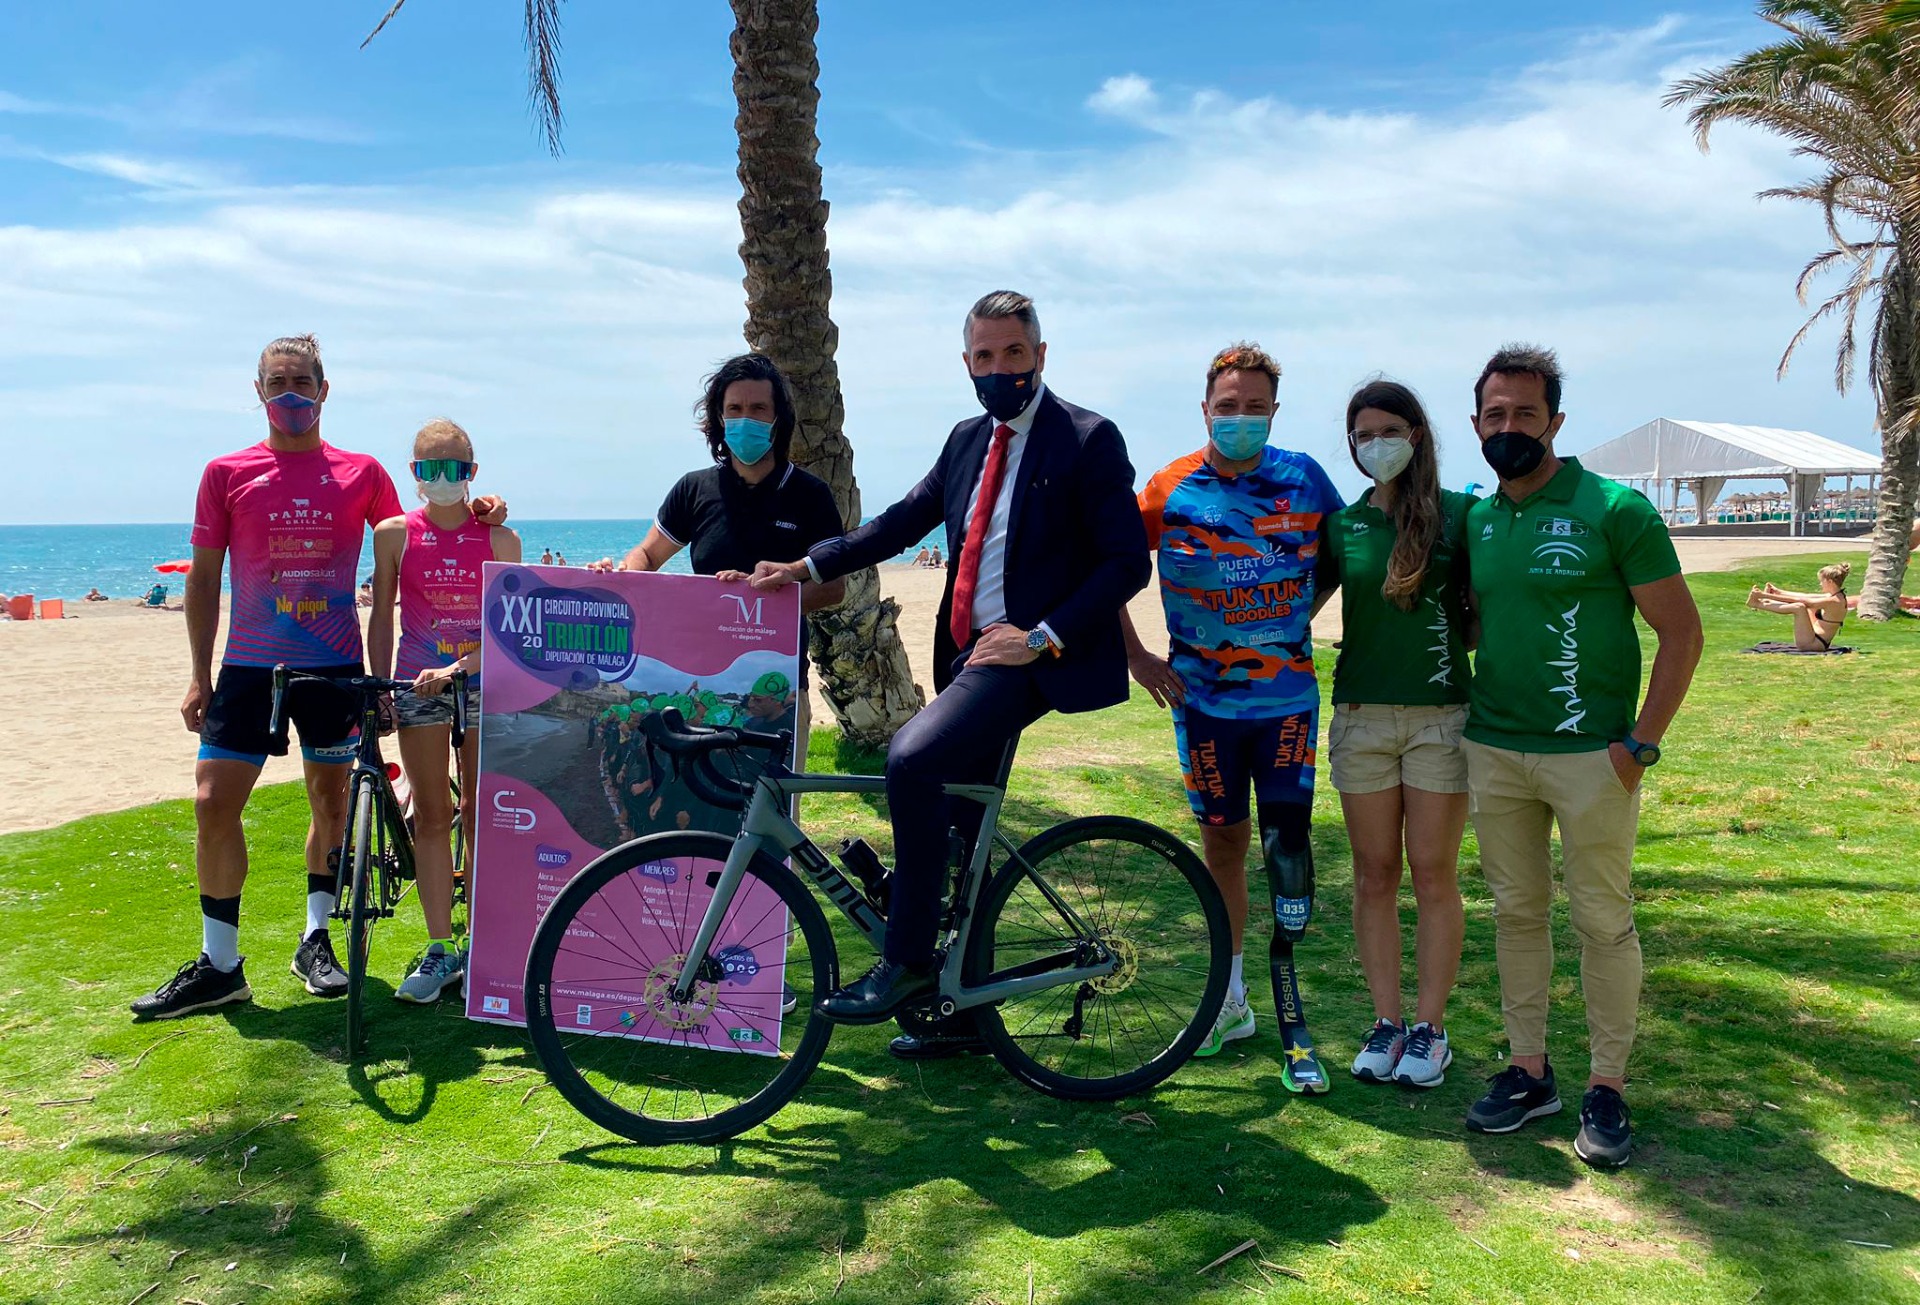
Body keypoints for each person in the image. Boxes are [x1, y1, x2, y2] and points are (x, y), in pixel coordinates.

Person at [750, 290, 1150, 1057]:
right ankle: (959, 1007)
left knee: (913, 757)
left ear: (1039, 355)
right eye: (984, 357)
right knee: (964, 829)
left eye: (1014, 354)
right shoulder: (968, 438)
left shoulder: (1088, 438)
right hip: (966, 655)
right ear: (966, 363)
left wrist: (1041, 636)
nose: (1000, 369)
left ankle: (903, 962)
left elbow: (1127, 561)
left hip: (1031, 655)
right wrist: (804, 564)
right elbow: (901, 521)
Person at [131, 335, 505, 1021]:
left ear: (325, 389)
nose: (291, 394)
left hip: (333, 665)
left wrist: (480, 510)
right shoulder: (225, 472)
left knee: (332, 802)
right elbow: (206, 579)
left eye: (303, 381)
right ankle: (220, 964)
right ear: (258, 390)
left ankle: (316, 939)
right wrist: (197, 674)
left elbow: (416, 532)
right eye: (278, 383)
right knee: (214, 800)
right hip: (246, 664)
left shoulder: (362, 472)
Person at [1459, 345, 1701, 1168]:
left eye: (1525, 414)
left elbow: (1682, 632)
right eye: (1495, 415)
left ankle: (1607, 1083)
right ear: (1475, 425)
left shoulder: (1614, 508)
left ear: (1556, 421)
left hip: (1593, 760)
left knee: (1602, 918)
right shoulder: (1478, 518)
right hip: (1495, 751)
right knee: (1517, 913)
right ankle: (1529, 1070)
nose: (1509, 428)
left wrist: (1639, 743)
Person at [1123, 342, 1343, 1092]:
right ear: (1206, 409)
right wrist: (1138, 656)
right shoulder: (1171, 486)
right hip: (1203, 706)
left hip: (1285, 705)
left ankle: (1285, 997)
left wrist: (1293, 622)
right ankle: (1231, 998)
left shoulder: (1306, 479)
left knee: (1286, 847)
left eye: (1255, 407)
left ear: (1274, 412)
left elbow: (1347, 557)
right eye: (1228, 406)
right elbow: (1106, 562)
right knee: (1222, 845)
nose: (1240, 418)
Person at [1313, 380, 1475, 1089]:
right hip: (1361, 719)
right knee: (1375, 876)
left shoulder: (1460, 518)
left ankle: (1430, 1031)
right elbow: (1288, 606)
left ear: (1417, 433)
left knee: (1434, 874)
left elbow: (1484, 614)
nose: (1374, 443)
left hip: (1442, 718)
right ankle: (1386, 1021)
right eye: (1361, 433)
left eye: (1387, 429)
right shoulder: (1343, 525)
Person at [594, 353, 847, 748]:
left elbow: (833, 586)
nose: (746, 418)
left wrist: (758, 600)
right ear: (719, 417)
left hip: (778, 686)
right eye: (735, 409)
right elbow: (648, 555)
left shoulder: (810, 495)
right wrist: (620, 573)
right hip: (703, 680)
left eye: (759, 408)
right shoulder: (694, 490)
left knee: (773, 800)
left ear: (778, 419)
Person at [367, 419, 521, 1004]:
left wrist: (459, 671)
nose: (442, 479)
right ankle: (439, 948)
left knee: (480, 816)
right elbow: (383, 614)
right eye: (430, 469)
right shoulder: (392, 533)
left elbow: (506, 629)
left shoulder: (502, 540)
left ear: (472, 473)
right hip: (414, 684)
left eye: (454, 468)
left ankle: (482, 942)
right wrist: (382, 684)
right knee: (432, 815)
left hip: (481, 685)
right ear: (414, 474)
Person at [1748, 563, 1849, 649]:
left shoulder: (1834, 601)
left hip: (1813, 644)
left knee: (1799, 607)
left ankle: (1757, 604)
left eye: (1822, 581)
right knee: (1806, 606)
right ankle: (1766, 601)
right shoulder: (1834, 596)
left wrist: (1764, 595)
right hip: (1814, 637)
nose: (1820, 584)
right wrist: (1778, 592)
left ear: (1830, 582)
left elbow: (1804, 602)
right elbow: (1806, 596)